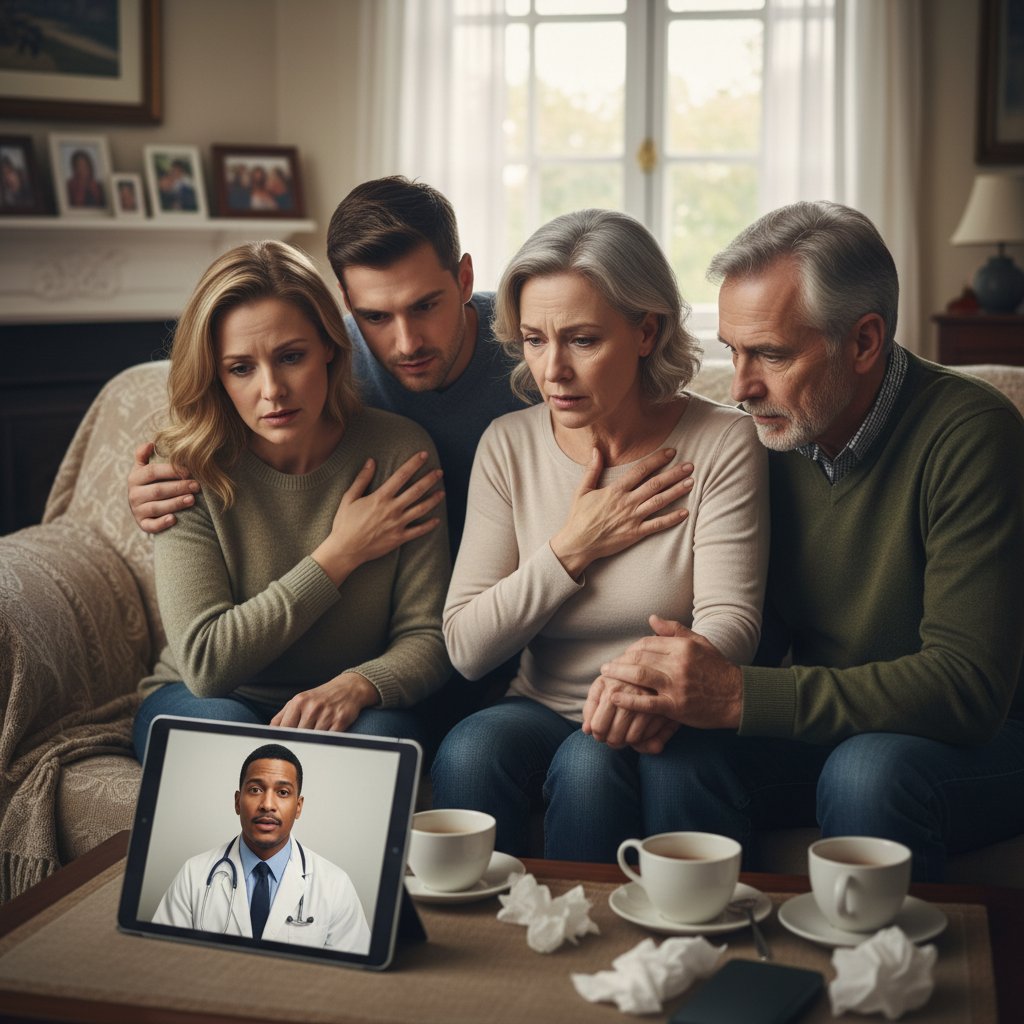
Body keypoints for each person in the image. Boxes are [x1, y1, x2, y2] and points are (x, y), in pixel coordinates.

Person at [596, 200, 1024, 882]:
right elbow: (755, 628)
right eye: (733, 352)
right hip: (838, 717)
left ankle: (883, 986)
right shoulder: (767, 436)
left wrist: (738, 696)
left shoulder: (972, 434)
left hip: (984, 736)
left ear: (863, 342)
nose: (740, 388)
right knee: (680, 752)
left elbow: (966, 687)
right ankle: (706, 967)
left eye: (770, 354)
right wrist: (675, 684)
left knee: (868, 772)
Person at [430, 209, 769, 859]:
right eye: (534, 339)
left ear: (646, 332)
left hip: (672, 704)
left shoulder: (723, 441)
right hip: (538, 705)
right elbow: (467, 646)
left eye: (582, 340)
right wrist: (570, 550)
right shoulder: (508, 445)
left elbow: (732, 624)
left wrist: (649, 685)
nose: (550, 370)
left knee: (590, 765)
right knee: (469, 751)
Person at [132, 240, 451, 759]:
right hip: (206, 698)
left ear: (330, 344)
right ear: (216, 372)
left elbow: (429, 637)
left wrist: (358, 686)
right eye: (241, 368)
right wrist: (339, 555)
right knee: (232, 746)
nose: (273, 390)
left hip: (351, 700)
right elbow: (206, 664)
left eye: (291, 357)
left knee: (378, 745)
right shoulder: (187, 466)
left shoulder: (399, 451)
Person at [153, 743, 372, 953]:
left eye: (283, 792)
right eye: (256, 789)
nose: (267, 804)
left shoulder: (335, 885)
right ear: (238, 802)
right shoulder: (194, 874)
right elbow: (161, 957)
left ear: (298, 807)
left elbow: (353, 979)